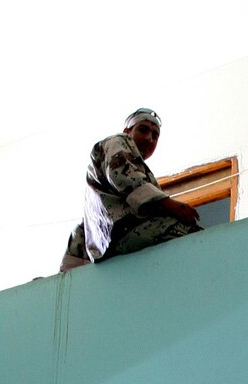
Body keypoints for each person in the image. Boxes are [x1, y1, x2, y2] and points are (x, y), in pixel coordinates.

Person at [60, 108, 200, 271]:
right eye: (143, 129)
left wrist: (66, 275)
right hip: (129, 231)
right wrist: (168, 203)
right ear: (127, 131)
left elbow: (82, 231)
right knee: (198, 239)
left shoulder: (99, 203)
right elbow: (121, 173)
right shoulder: (117, 141)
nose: (149, 138)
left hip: (111, 248)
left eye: (155, 135)